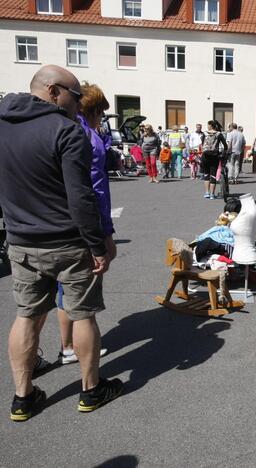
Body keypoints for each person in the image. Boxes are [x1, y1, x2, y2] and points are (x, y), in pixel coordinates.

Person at [0, 65, 122, 421]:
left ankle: (23, 398)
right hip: (67, 242)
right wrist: (98, 245)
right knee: (83, 314)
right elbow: (81, 197)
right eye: (75, 94)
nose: (79, 102)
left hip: (21, 240)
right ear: (53, 91)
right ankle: (91, 389)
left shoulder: (3, 125)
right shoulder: (66, 131)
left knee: (27, 315)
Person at [55, 82, 114, 366]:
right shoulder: (86, 136)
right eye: (101, 112)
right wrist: (105, 233)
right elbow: (95, 189)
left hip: (54, 223)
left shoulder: (61, 128)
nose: (102, 117)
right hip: (84, 224)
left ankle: (66, 346)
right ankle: (88, 373)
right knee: (83, 299)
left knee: (62, 292)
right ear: (92, 109)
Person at [201, 120, 227, 199]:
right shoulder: (219, 134)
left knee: (206, 174)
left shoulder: (204, 133)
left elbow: (202, 143)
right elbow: (225, 145)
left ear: (210, 126)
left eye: (208, 125)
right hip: (215, 156)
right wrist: (224, 152)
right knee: (213, 175)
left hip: (205, 156)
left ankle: (207, 193)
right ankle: (212, 194)